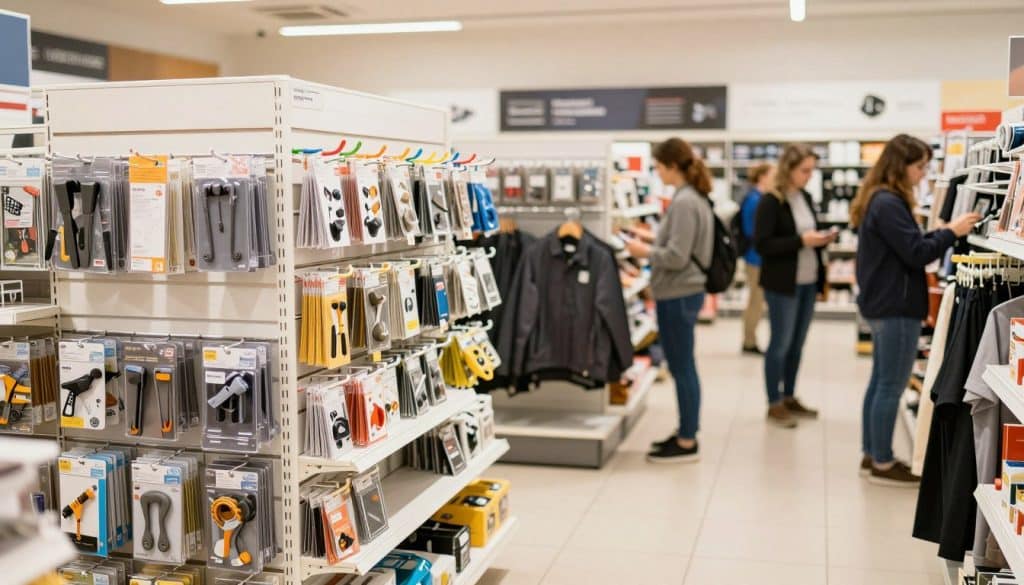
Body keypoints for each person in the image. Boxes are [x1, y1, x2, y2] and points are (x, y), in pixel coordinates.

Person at [852, 134, 979, 486]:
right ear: (901, 165)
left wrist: (933, 233)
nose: (923, 174)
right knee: (890, 384)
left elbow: (907, 245)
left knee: (881, 381)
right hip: (895, 306)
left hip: (884, 303)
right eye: (920, 166)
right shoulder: (889, 203)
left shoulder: (878, 199)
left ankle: (871, 452)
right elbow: (916, 253)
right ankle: (881, 461)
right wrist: (951, 232)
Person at [626, 138, 714, 463]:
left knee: (683, 367)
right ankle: (685, 433)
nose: (657, 172)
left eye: (659, 166)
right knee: (683, 366)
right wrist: (653, 238)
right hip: (682, 292)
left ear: (672, 166)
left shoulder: (685, 202)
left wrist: (643, 251)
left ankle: (688, 440)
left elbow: (677, 257)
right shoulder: (691, 198)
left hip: (678, 293)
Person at [754, 144, 836, 428]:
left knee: (797, 345)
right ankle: (773, 402)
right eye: (805, 170)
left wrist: (821, 240)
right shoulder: (771, 201)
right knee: (780, 344)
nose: (809, 176)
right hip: (783, 285)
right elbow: (762, 244)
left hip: (807, 281)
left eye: (812, 170)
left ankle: (789, 395)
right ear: (788, 169)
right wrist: (802, 241)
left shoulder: (805, 197)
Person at [740, 163, 775, 354]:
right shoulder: (754, 199)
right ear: (762, 177)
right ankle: (749, 341)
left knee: (758, 301)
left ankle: (750, 339)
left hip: (761, 258)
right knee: (755, 301)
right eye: (772, 175)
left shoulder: (761, 198)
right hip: (755, 259)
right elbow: (750, 230)